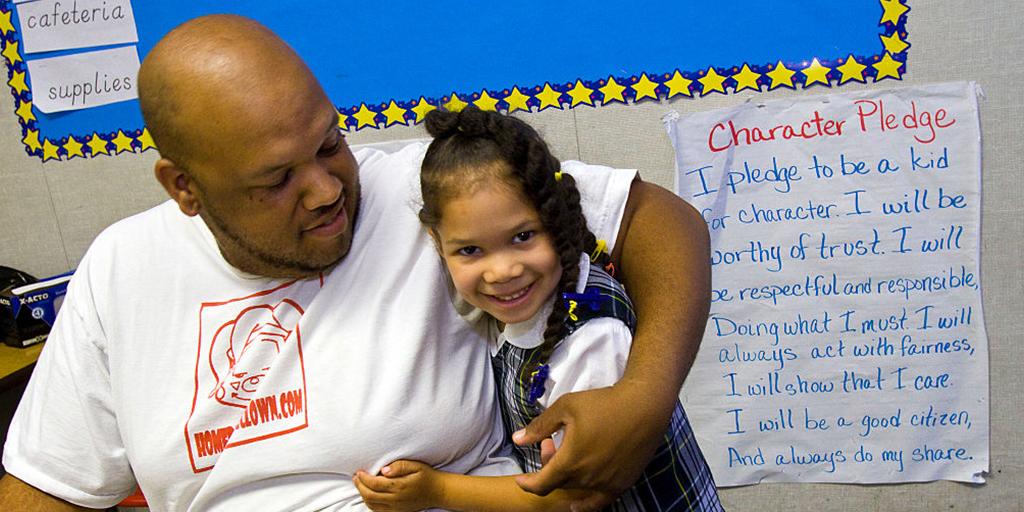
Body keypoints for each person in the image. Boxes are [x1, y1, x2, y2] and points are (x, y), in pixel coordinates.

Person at [0, 14, 712, 512]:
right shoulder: (121, 269)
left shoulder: (433, 197)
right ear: (183, 186)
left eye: (330, 142)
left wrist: (643, 399)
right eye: (276, 180)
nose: (328, 189)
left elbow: (658, 221)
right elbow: (48, 485)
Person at [353, 108, 722, 511]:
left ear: (555, 215)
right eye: (470, 250)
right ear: (436, 242)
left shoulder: (589, 340)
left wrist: (435, 491)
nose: (503, 271)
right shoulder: (515, 308)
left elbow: (568, 498)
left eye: (523, 236)